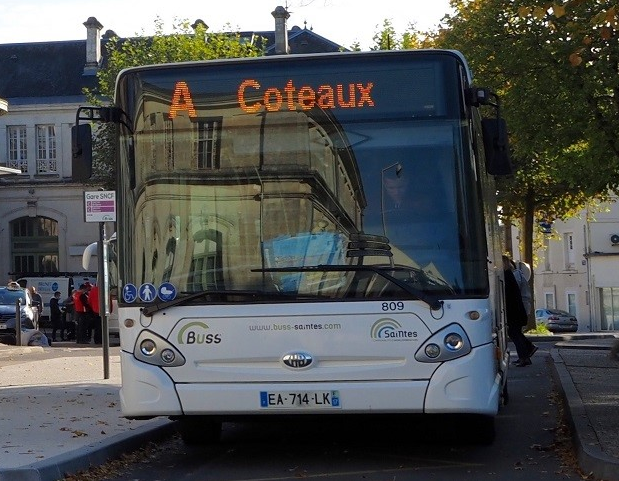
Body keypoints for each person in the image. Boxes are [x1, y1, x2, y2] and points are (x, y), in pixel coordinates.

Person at [502, 255, 537, 367]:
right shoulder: (510, 275)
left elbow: (509, 296)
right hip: (516, 310)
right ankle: (528, 350)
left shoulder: (508, 276)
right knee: (516, 333)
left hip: (513, 311)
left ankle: (524, 357)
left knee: (514, 333)